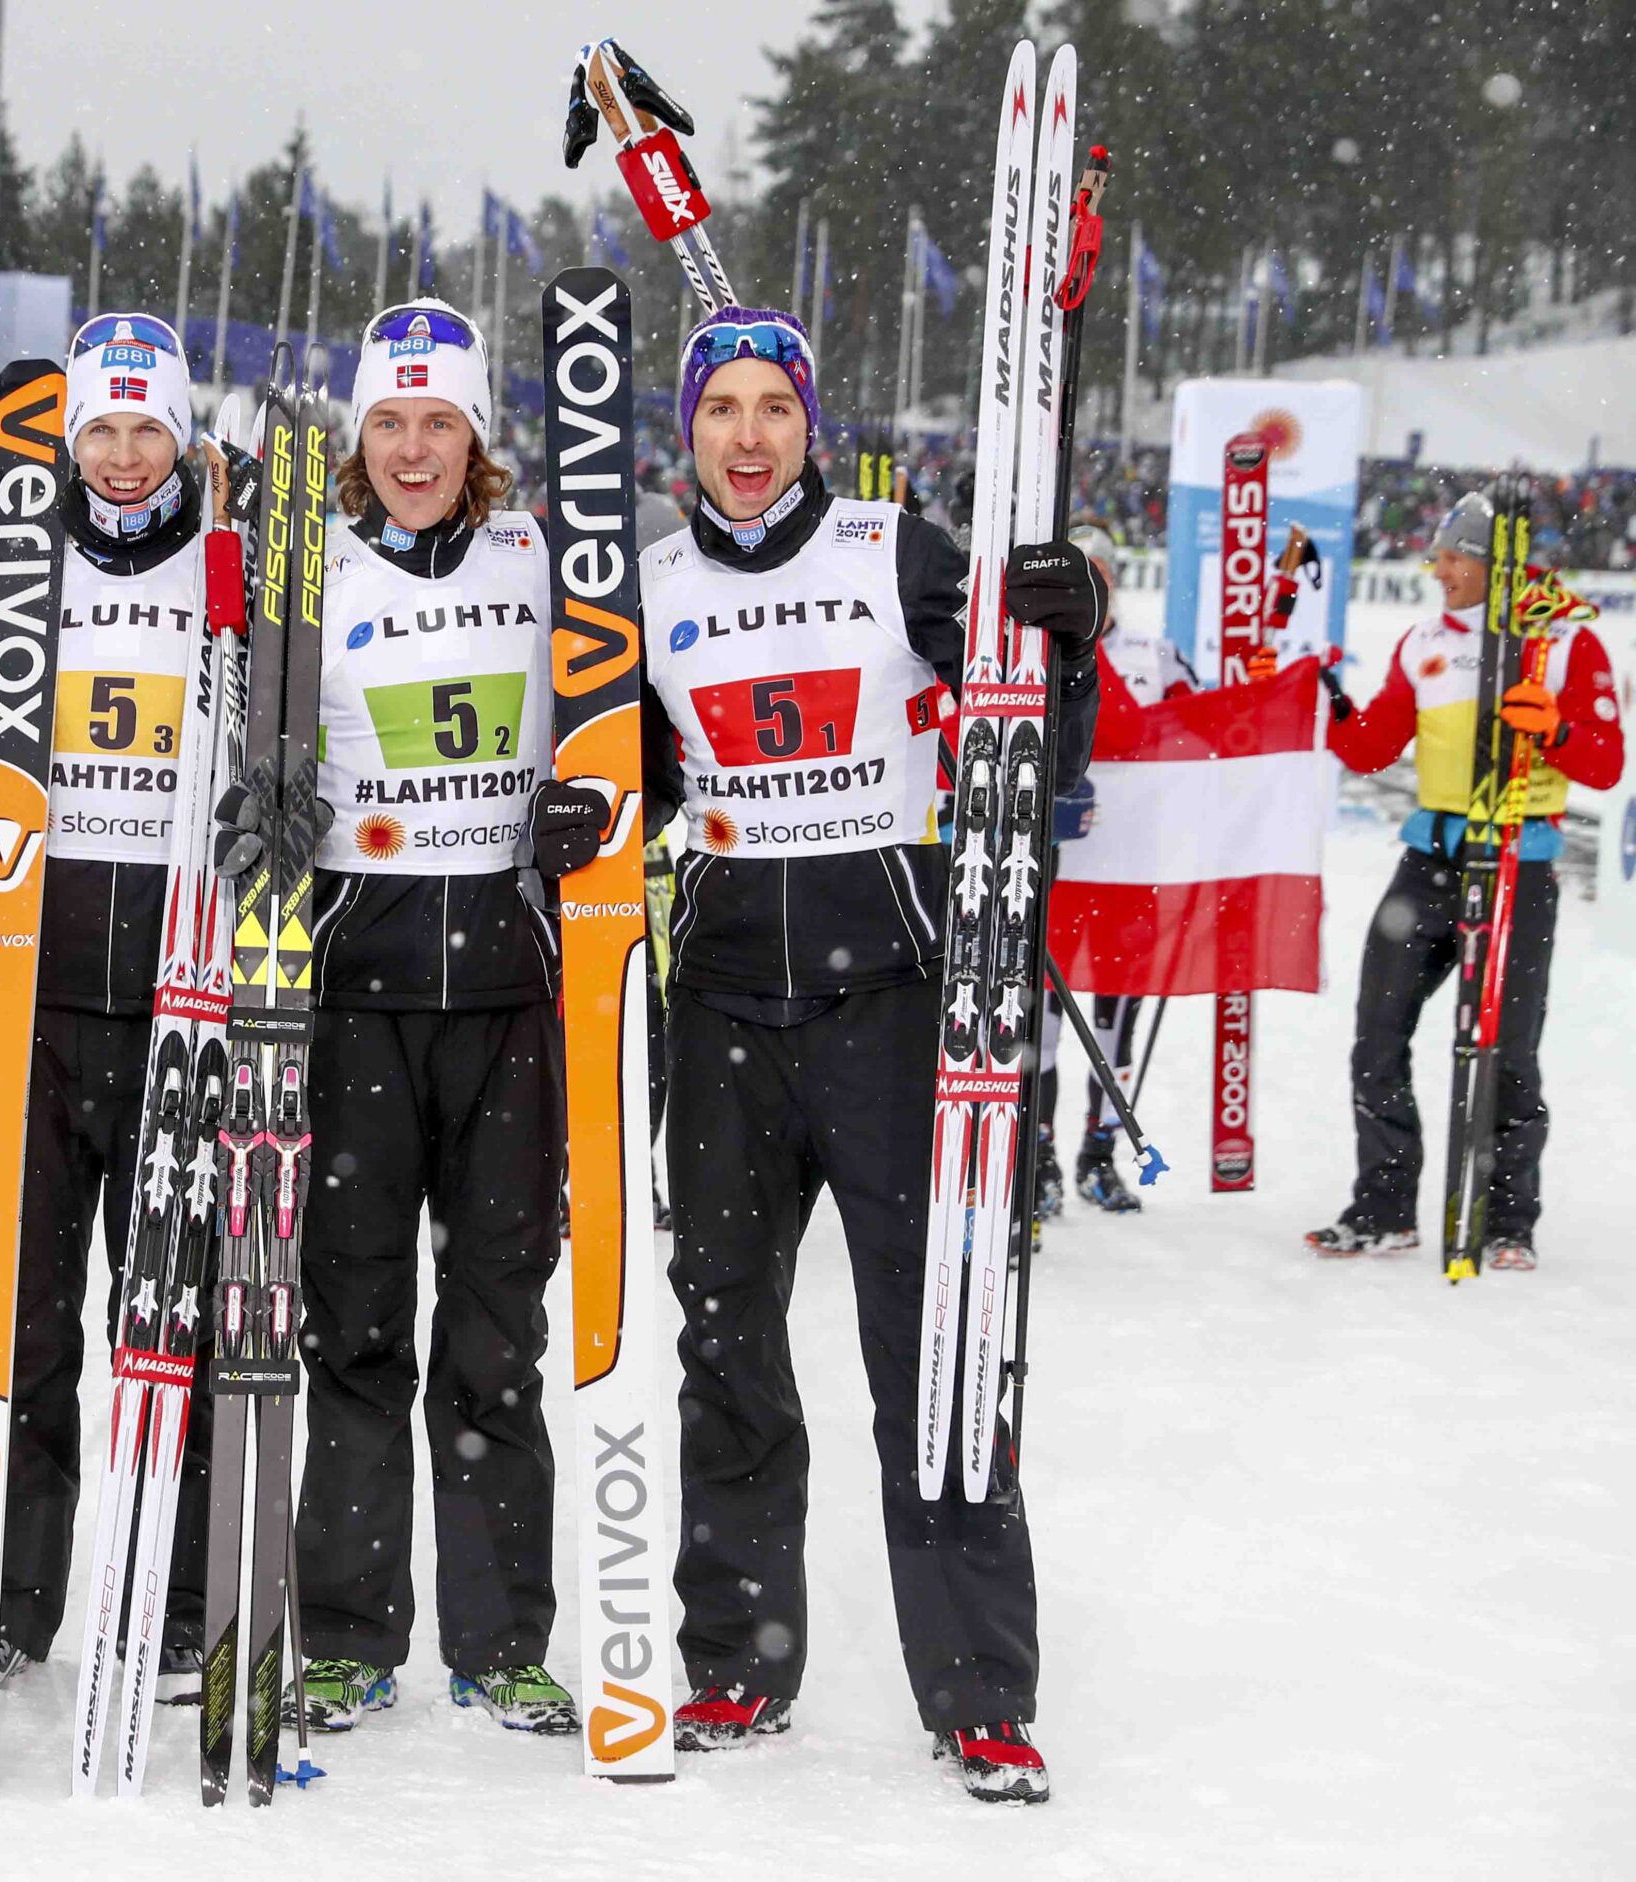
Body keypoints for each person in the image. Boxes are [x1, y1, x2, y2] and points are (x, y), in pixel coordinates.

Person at [628, 306, 1101, 1801]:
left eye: (776, 407)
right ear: (685, 430)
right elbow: (615, 781)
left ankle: (980, 1692)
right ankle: (740, 1660)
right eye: (724, 410)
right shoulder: (645, 588)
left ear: (810, 423)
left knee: (936, 1350)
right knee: (729, 1349)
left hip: (895, 1009)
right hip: (718, 1016)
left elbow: (1040, 742)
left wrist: (1069, 621)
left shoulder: (898, 552)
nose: (750, 436)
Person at [224, 299, 578, 1737]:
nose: (416, 446)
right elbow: (249, 763)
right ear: (357, 436)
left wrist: (599, 814)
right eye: (390, 422)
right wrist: (269, 808)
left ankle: (501, 1640)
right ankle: (353, 1631)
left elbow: (628, 735)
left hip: (508, 994)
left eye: (441, 421)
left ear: (477, 433)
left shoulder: (541, 557)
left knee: (497, 1332)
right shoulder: (306, 565)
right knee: (355, 1325)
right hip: (354, 995)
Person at [0, 312, 220, 1700]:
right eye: (102, 429)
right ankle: (16, 1598)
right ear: (70, 439)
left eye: (148, 428)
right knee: (28, 1322)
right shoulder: (22, 566)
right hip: (36, 995)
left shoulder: (237, 562)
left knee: (175, 1311)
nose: (126, 456)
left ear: (182, 435)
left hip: (180, 997)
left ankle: (179, 1592)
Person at [1308, 492, 1622, 1267]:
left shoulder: (1564, 643)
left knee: (1507, 1052)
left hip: (1520, 861)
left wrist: (1552, 728)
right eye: (1438, 555)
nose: (1437, 569)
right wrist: (1322, 699)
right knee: (1378, 1035)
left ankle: (1510, 1220)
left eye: (1453, 557)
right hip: (1431, 861)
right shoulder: (1424, 640)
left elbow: (1606, 765)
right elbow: (1376, 747)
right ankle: (1385, 1206)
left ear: (1493, 564)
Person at [1035, 522, 1196, 1217]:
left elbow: (1195, 737)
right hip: (1059, 870)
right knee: (1038, 1023)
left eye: (1100, 573)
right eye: (1080, 574)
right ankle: (1035, 1158)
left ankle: (1097, 1156)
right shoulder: (1034, 650)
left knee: (1112, 1028)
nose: (1092, 585)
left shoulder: (1155, 656)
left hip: (1129, 875)